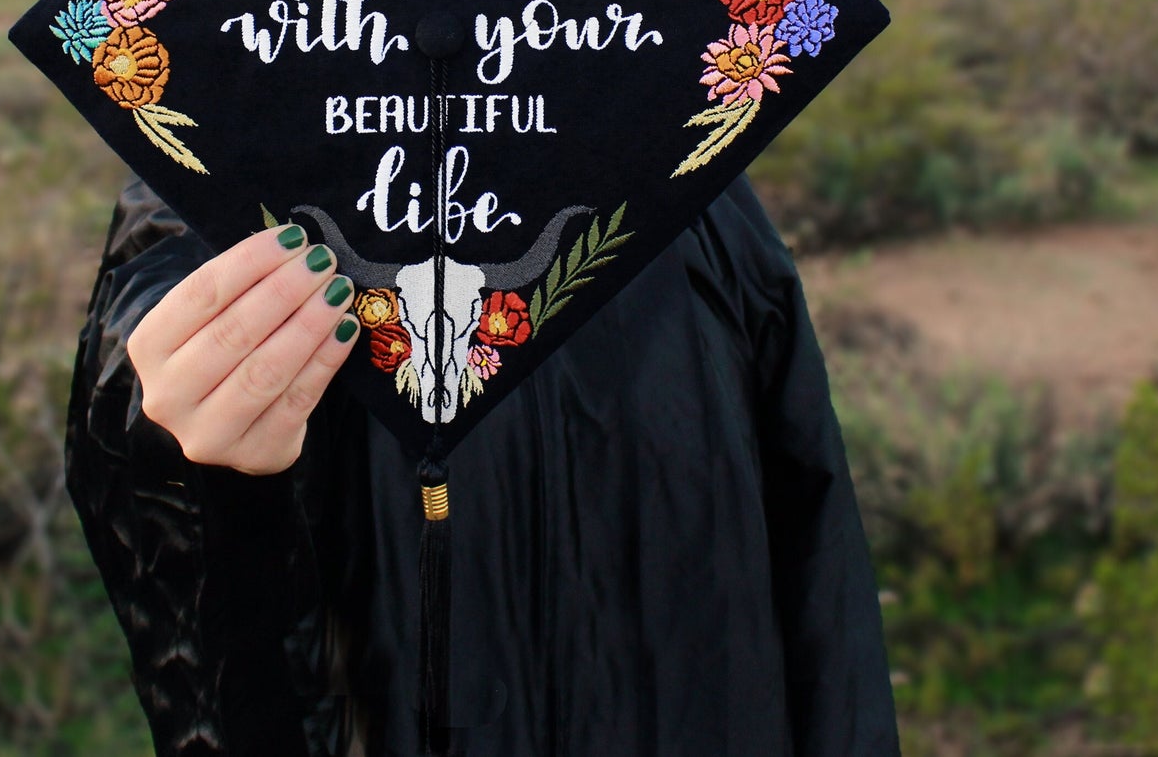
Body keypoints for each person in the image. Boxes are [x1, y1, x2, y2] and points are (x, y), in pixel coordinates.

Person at [66, 174, 902, 757]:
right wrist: (176, 437)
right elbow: (156, 489)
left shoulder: (694, 186)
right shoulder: (218, 171)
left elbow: (813, 543)